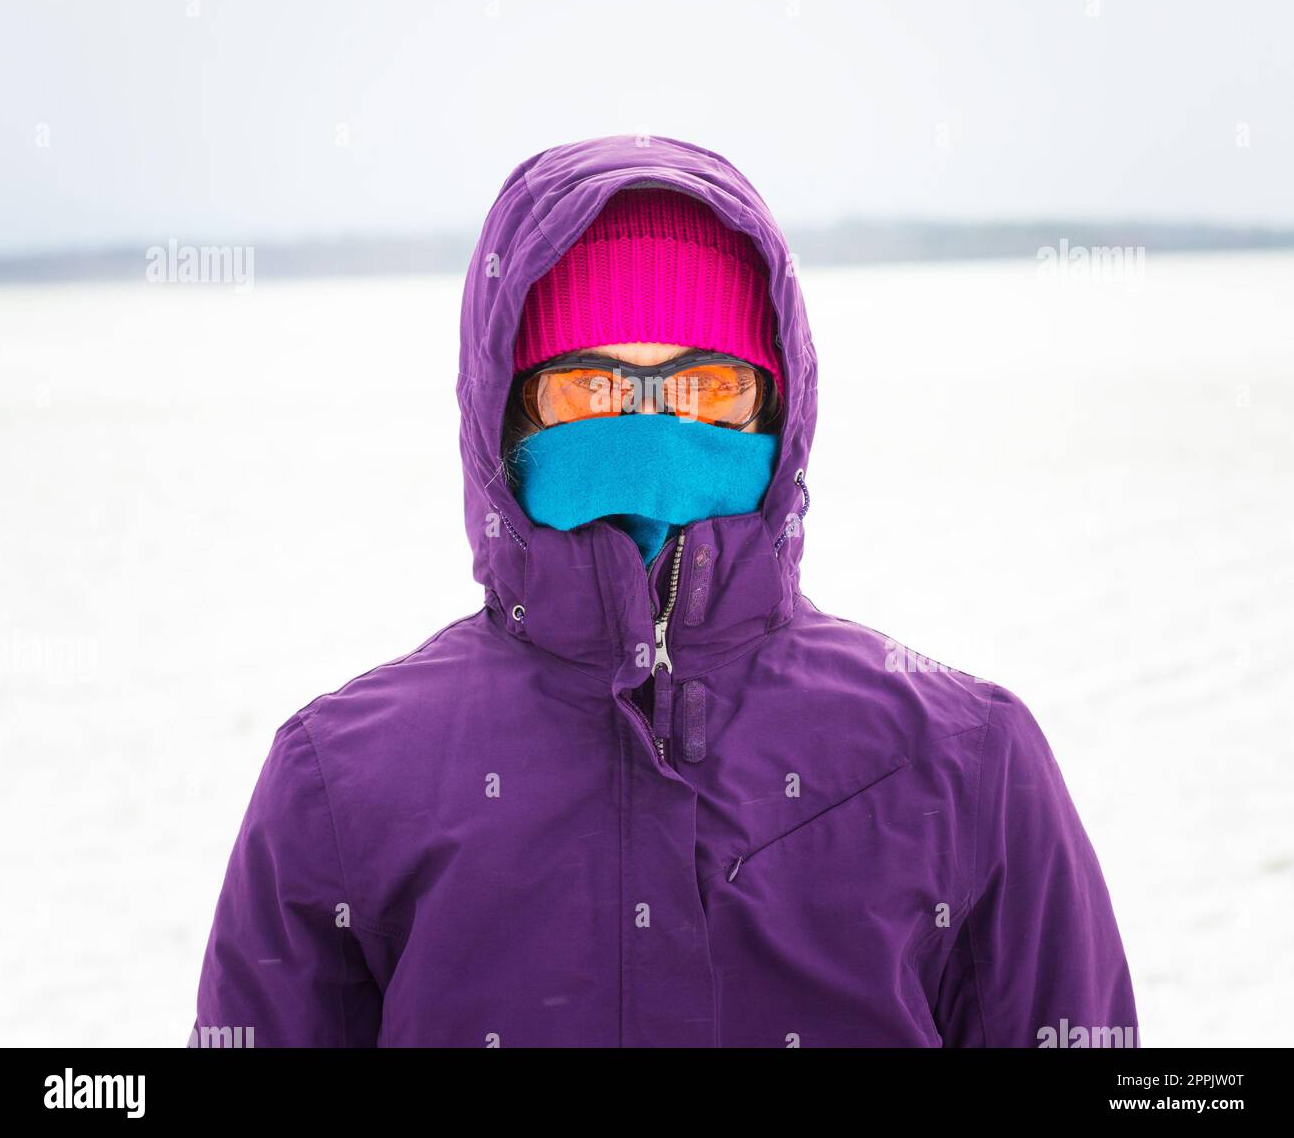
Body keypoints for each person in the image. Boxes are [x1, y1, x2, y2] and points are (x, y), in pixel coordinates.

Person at [190, 133, 1138, 1048]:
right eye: (593, 386)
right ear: (507, 412)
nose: (650, 429)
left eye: (706, 387)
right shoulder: (342, 776)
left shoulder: (961, 757)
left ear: (779, 408)